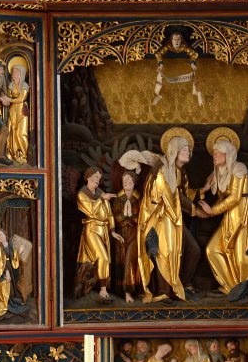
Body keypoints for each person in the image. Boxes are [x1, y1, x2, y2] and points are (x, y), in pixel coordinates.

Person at [198, 128, 248, 301]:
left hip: (244, 215)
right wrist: (207, 209)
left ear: (228, 154)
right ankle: (232, 286)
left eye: (218, 153)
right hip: (229, 217)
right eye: (214, 152)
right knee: (213, 250)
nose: (214, 155)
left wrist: (213, 211)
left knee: (244, 257)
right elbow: (220, 198)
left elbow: (235, 197)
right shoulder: (217, 173)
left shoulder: (239, 168)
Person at [137, 128, 203, 303]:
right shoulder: (163, 169)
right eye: (184, 150)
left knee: (193, 250)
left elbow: (182, 194)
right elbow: (170, 197)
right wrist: (195, 211)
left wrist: (201, 192)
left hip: (175, 218)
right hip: (161, 217)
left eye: (189, 150)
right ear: (175, 150)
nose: (188, 153)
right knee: (165, 251)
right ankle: (163, 291)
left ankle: (182, 284)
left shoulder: (178, 171)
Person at [76, 167, 124, 301]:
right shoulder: (82, 194)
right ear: (88, 177)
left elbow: (109, 214)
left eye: (99, 178)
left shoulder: (101, 193)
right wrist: (101, 198)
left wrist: (112, 232)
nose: (98, 179)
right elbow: (91, 211)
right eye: (96, 177)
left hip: (104, 231)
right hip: (92, 229)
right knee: (102, 257)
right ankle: (103, 289)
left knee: (106, 259)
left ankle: (101, 287)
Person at [112, 171, 141, 303]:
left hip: (135, 234)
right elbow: (114, 217)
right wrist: (125, 215)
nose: (126, 182)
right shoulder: (118, 199)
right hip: (121, 234)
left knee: (130, 259)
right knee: (122, 261)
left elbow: (142, 217)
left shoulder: (139, 199)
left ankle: (129, 291)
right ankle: (121, 290)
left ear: (134, 182)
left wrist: (131, 217)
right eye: (124, 180)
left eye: (129, 180)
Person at [5, 63, 30, 165]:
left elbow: (21, 98)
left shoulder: (24, 85)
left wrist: (9, 100)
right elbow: (8, 96)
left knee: (21, 133)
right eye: (12, 72)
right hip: (12, 110)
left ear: (21, 74)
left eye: (15, 73)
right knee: (11, 131)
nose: (13, 74)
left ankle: (23, 154)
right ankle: (12, 153)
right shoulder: (11, 85)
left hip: (21, 110)